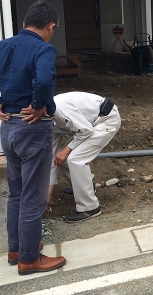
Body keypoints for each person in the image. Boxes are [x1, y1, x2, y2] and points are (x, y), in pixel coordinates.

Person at [0, 0, 66, 275]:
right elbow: (43, 81)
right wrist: (41, 103)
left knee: (16, 194)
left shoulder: (2, 47)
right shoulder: (44, 49)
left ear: (24, 24)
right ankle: (30, 258)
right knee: (33, 197)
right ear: (50, 26)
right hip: (33, 127)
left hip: (8, 129)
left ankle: (16, 248)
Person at [48, 91, 121, 222]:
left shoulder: (59, 108)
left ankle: (90, 207)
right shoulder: (46, 122)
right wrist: (47, 196)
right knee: (60, 158)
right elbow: (52, 159)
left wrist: (66, 150)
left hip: (107, 120)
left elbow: (86, 130)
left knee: (75, 159)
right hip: (90, 125)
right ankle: (83, 188)